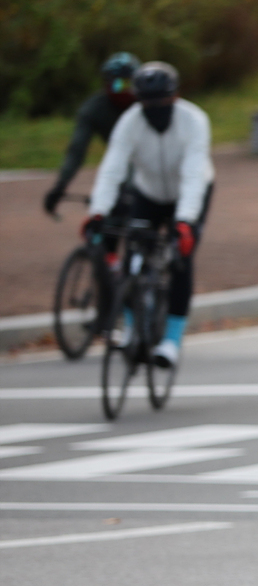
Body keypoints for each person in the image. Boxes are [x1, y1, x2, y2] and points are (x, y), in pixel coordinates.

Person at [82, 62, 214, 367]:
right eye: (147, 103)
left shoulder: (194, 121)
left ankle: (171, 341)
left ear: (175, 97)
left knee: (181, 260)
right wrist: (98, 212)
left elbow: (194, 173)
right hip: (149, 193)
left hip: (189, 193)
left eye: (161, 102)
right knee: (132, 256)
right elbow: (112, 168)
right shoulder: (130, 122)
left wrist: (185, 221)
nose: (154, 109)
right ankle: (132, 328)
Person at [43, 52, 137, 218]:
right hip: (120, 167)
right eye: (117, 85)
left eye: (129, 84)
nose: (124, 91)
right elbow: (76, 151)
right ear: (106, 85)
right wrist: (60, 186)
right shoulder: (94, 110)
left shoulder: (147, 105)